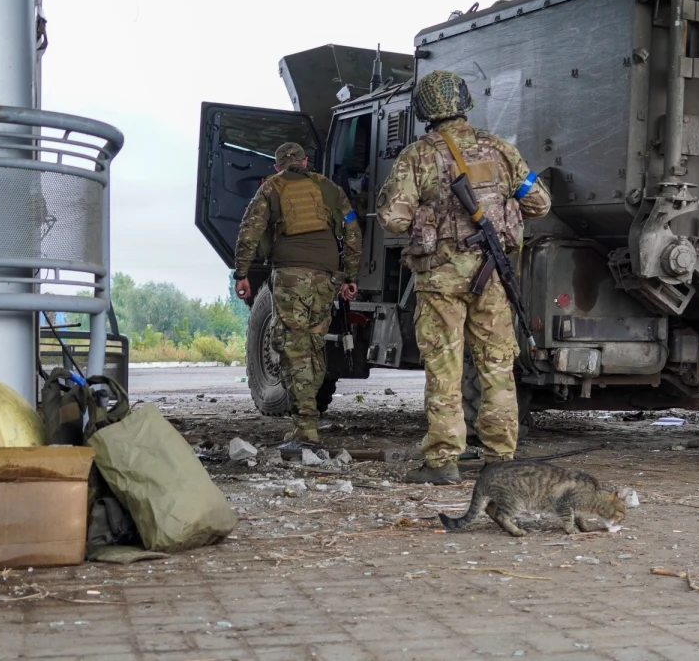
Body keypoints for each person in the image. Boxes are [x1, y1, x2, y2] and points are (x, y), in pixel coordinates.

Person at [376, 70, 551, 485]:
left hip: (439, 280)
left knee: (445, 367)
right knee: (496, 365)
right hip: (491, 275)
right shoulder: (502, 151)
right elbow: (540, 203)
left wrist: (428, 216)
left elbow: (392, 218)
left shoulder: (417, 156)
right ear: (465, 102)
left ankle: (443, 461)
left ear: (424, 112)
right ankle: (500, 457)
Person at [234, 142, 362, 458]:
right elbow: (352, 231)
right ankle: (306, 422)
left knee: (293, 348)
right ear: (304, 161)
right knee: (314, 346)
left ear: (278, 165)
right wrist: (351, 276)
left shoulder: (271, 188)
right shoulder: (330, 188)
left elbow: (249, 232)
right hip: (326, 277)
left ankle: (306, 430)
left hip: (290, 276)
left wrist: (242, 273)